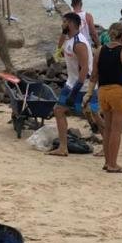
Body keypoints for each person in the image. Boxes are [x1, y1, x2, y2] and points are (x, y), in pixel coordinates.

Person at [87, 22, 122, 172]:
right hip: (119, 91)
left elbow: (94, 75)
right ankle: (113, 164)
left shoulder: (99, 50)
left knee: (108, 129)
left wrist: (88, 92)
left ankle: (107, 161)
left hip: (103, 91)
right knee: (116, 131)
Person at [48, 12, 99, 157]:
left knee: (96, 115)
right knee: (58, 110)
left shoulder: (79, 43)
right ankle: (63, 147)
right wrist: (62, 36)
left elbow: (84, 68)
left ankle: (106, 145)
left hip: (83, 86)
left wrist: (75, 91)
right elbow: (61, 43)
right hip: (70, 83)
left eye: (64, 22)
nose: (61, 24)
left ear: (70, 23)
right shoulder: (69, 39)